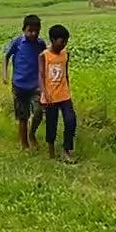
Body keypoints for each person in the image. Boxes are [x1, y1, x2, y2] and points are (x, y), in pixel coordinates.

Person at [2, 14, 45, 150]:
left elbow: (45, 61)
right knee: (22, 117)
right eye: (29, 30)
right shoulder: (17, 42)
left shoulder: (41, 44)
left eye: (36, 31)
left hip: (36, 85)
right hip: (19, 85)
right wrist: (5, 74)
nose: (33, 34)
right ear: (23, 29)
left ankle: (32, 134)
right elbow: (6, 57)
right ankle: (24, 144)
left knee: (38, 111)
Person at [39, 24, 77, 162]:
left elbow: (65, 73)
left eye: (66, 42)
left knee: (71, 120)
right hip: (50, 96)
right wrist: (45, 93)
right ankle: (51, 153)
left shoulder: (66, 54)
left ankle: (67, 150)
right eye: (61, 42)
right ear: (53, 40)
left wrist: (68, 89)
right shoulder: (44, 56)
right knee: (51, 124)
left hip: (64, 94)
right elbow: (42, 76)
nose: (63, 45)